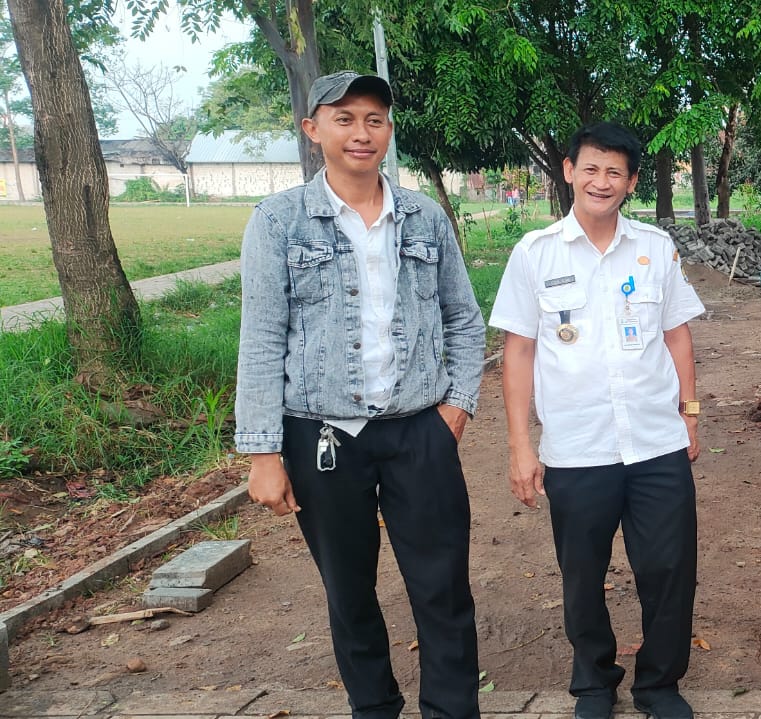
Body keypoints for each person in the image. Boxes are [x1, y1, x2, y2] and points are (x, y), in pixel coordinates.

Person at [234, 71, 486, 719]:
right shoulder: (278, 222)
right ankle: (374, 707)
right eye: (343, 118)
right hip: (321, 435)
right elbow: (261, 337)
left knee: (442, 589)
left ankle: (452, 710)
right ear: (312, 129)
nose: (360, 132)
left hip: (419, 430)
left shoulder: (423, 217)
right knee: (349, 591)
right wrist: (262, 452)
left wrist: (454, 409)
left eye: (374, 119)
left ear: (389, 132)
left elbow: (464, 319)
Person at [491, 122, 705, 719]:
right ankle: (593, 682)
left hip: (656, 441)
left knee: (669, 569)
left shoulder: (655, 248)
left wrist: (690, 413)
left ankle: (660, 684)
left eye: (614, 172)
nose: (601, 181)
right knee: (582, 575)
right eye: (590, 168)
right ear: (568, 171)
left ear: (631, 181)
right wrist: (519, 445)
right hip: (577, 448)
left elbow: (677, 334)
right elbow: (519, 353)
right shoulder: (535, 253)